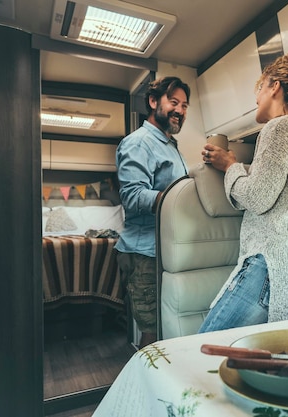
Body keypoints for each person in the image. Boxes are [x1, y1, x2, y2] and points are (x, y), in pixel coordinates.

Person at [198, 46, 288, 333]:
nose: (256, 97)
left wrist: (230, 165)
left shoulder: (279, 128)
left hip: (272, 268)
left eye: (259, 89)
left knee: (202, 348)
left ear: (274, 86)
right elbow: (282, 187)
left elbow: (257, 197)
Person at [115, 76, 190, 348]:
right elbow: (133, 196)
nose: (180, 110)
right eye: (173, 102)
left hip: (163, 250)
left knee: (165, 326)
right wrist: (181, 199)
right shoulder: (139, 142)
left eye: (184, 105)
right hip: (144, 252)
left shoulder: (169, 145)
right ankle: (142, 389)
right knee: (152, 332)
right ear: (153, 101)